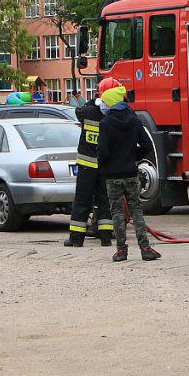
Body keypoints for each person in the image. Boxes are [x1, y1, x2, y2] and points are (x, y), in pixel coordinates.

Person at [96, 78, 161, 263]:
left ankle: (121, 251)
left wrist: (105, 166)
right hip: (131, 173)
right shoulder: (134, 120)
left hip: (112, 175)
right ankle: (145, 248)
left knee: (117, 212)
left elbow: (103, 151)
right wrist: (133, 156)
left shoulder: (106, 124)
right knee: (136, 210)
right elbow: (148, 145)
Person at [63, 93, 113, 247]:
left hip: (87, 165)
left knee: (82, 201)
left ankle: (76, 239)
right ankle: (105, 238)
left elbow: (79, 110)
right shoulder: (114, 116)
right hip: (105, 166)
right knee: (104, 201)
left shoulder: (89, 112)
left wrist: (94, 101)